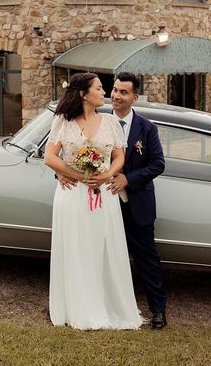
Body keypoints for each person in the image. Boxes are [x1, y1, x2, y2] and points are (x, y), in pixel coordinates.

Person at [44, 72, 142, 330]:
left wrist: (107, 174)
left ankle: (105, 305)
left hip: (104, 196)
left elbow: (119, 157)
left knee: (102, 248)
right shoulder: (63, 121)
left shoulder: (110, 122)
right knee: (76, 248)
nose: (104, 92)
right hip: (73, 193)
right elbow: (50, 157)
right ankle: (77, 308)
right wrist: (73, 174)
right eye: (99, 88)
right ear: (83, 94)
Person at [107, 72, 168, 329]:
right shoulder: (99, 123)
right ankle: (107, 308)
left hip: (138, 204)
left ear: (135, 97)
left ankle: (158, 310)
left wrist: (128, 179)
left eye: (123, 92)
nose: (116, 96)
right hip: (105, 204)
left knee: (146, 258)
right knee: (106, 256)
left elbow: (158, 164)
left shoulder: (147, 128)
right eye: (114, 90)